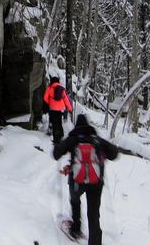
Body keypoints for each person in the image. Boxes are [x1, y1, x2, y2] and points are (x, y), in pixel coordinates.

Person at [52, 114, 118, 245]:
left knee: (75, 202)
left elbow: (56, 154)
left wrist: (58, 143)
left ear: (77, 126)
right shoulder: (96, 140)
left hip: (77, 182)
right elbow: (114, 153)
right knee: (94, 214)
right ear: (88, 126)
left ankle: (75, 229)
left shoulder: (73, 139)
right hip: (96, 182)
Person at [43, 76, 72, 144]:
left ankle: (56, 140)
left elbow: (45, 98)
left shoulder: (49, 87)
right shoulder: (61, 88)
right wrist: (69, 108)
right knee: (59, 122)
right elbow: (65, 99)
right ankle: (61, 136)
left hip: (52, 108)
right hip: (60, 109)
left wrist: (49, 103)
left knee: (54, 124)